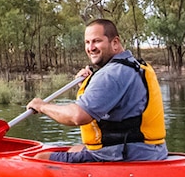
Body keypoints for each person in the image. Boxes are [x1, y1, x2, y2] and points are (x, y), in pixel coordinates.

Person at [27, 18, 168, 162]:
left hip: (126, 156)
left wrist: (42, 106)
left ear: (115, 43)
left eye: (97, 41)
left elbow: (78, 116)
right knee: (74, 149)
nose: (91, 47)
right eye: (87, 42)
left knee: (40, 158)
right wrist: (89, 84)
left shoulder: (110, 74)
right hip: (152, 151)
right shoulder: (134, 65)